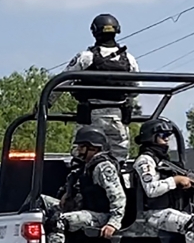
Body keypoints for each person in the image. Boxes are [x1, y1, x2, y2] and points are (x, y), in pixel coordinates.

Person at [51, 13, 140, 160]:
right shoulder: (129, 59)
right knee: (119, 160)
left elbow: (61, 82)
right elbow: (136, 88)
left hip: (90, 116)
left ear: (94, 32)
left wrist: (42, 105)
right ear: (116, 31)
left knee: (81, 157)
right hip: (118, 118)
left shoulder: (85, 57)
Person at [46, 126, 126, 243]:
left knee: (60, 221)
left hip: (102, 216)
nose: (78, 151)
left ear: (93, 148)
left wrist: (113, 222)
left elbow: (118, 197)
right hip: (88, 211)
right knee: (42, 203)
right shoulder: (85, 167)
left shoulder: (103, 167)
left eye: (82, 147)